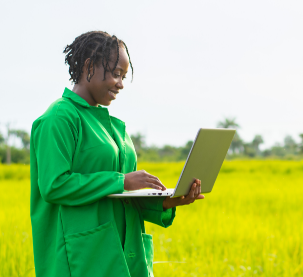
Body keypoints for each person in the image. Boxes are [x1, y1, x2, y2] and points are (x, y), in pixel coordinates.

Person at [30, 31, 204, 277]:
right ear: (89, 67)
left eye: (123, 76)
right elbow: (54, 185)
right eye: (115, 74)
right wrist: (121, 180)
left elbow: (121, 198)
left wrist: (166, 201)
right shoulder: (59, 118)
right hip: (82, 260)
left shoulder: (115, 127)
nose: (121, 84)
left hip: (124, 257)